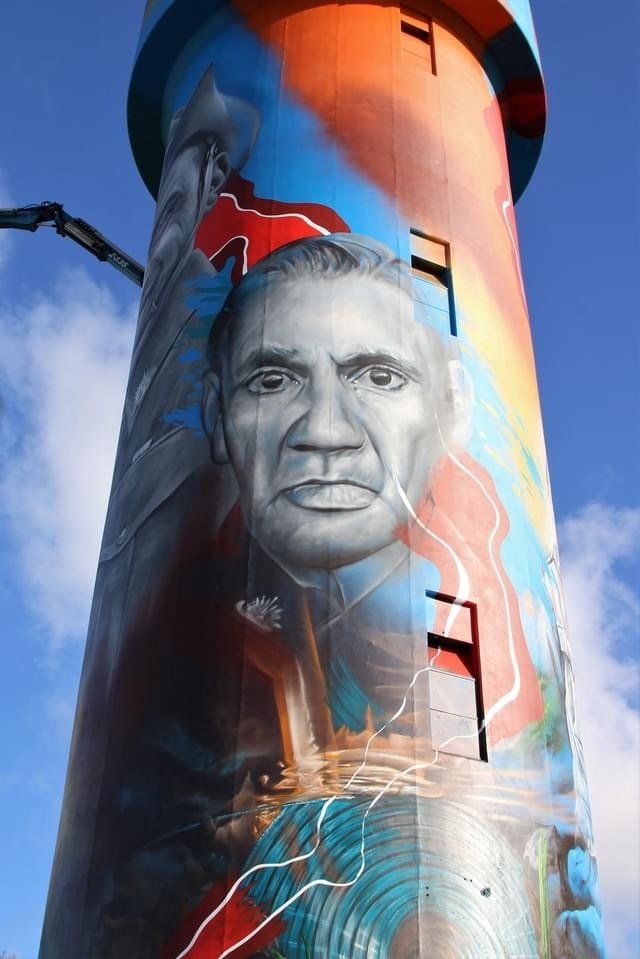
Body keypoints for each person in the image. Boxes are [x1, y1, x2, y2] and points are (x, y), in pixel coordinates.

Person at [201, 232, 462, 583]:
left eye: (381, 378)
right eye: (273, 381)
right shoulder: (169, 595)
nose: (325, 433)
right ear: (217, 415)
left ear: (453, 406)